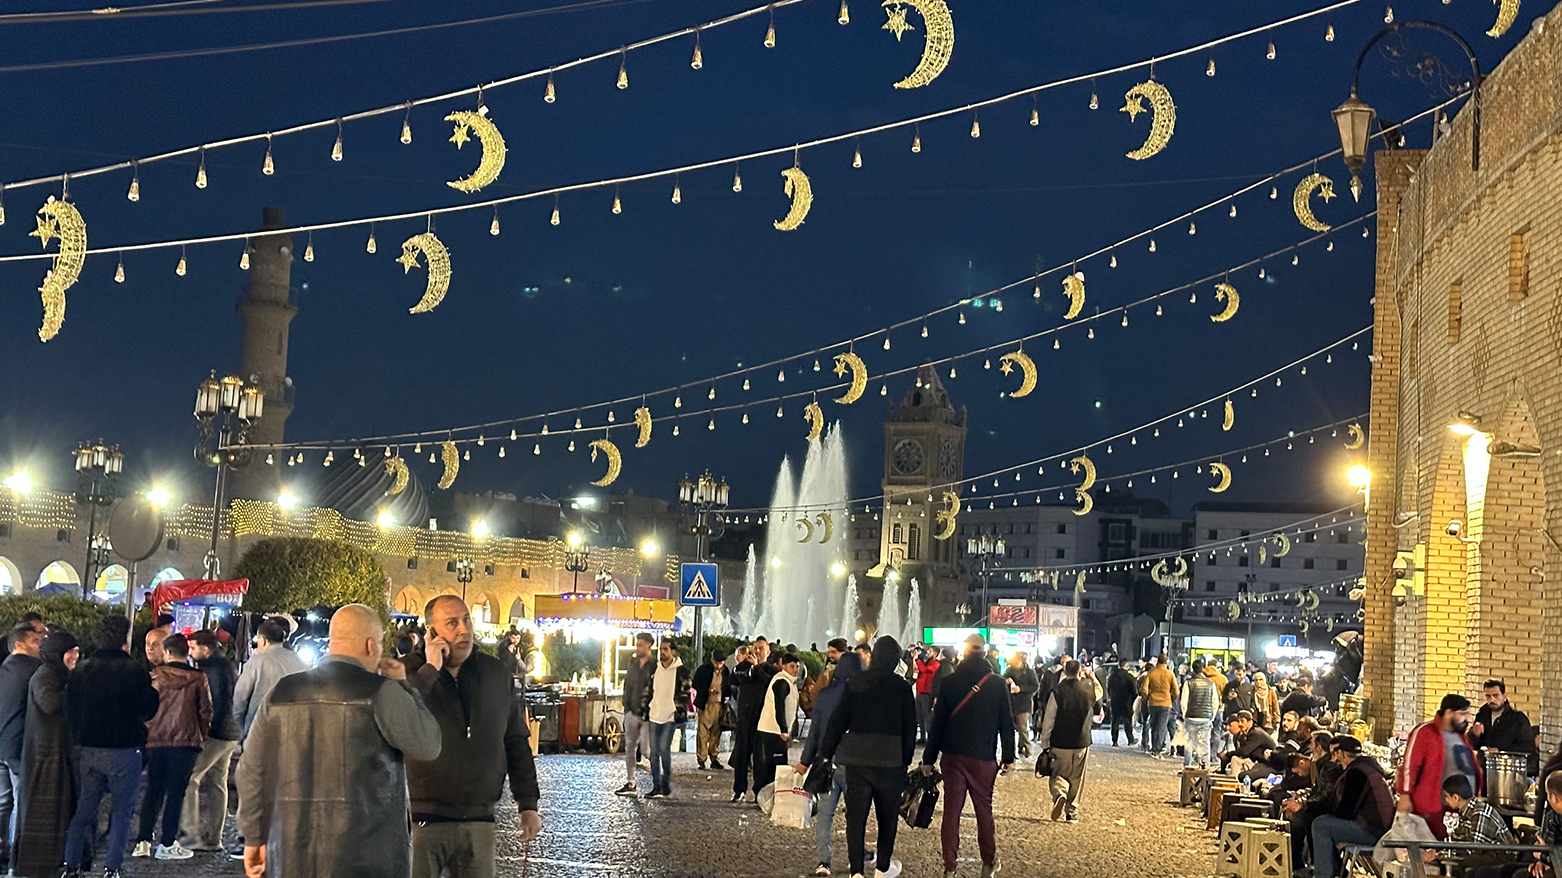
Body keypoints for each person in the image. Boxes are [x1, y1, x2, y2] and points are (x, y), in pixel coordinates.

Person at [236, 603, 440, 878]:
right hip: (367, 858)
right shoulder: (382, 692)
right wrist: (403, 684)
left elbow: (251, 770)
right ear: (370, 645)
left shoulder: (281, 692)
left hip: (290, 855)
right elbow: (428, 744)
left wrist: (254, 836)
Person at [407, 596, 541, 878]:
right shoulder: (408, 673)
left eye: (466, 620)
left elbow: (515, 739)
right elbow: (400, 716)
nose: (463, 630)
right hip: (421, 821)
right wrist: (430, 669)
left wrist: (528, 803)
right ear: (431, 632)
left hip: (479, 819)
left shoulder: (495, 673)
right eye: (452, 623)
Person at [62, 615, 159, 878]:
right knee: (122, 812)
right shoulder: (133, 670)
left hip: (89, 748)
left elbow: (70, 708)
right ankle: (112, 868)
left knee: (84, 810)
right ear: (124, 639)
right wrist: (154, 692)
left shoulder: (82, 669)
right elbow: (147, 709)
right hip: (123, 749)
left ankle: (70, 865)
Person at [816, 637, 916, 878]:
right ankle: (882, 867)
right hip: (890, 760)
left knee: (856, 818)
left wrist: (826, 754)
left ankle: (857, 871)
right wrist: (905, 760)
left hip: (857, 759)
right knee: (887, 818)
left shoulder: (856, 684)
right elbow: (910, 728)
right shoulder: (901, 687)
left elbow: (837, 722)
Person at [923, 635, 1013, 878]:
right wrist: (1008, 756)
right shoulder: (997, 684)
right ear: (984, 652)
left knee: (952, 812)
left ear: (964, 651)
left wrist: (928, 759)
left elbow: (938, 724)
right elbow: (1007, 723)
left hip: (953, 755)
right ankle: (988, 861)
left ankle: (949, 867)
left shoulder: (949, 682)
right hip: (983, 756)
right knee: (984, 809)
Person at [131, 633, 211, 861]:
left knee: (153, 791)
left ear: (167, 653)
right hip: (185, 742)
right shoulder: (198, 678)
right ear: (186, 653)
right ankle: (167, 842)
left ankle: (143, 841)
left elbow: (145, 708)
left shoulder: (155, 676)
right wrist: (200, 734)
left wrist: (148, 730)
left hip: (156, 741)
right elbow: (205, 711)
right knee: (176, 794)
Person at [13, 631, 77, 878]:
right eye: (70, 652)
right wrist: (74, 689)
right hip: (45, 755)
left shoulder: (55, 673)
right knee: (43, 815)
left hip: (54, 752)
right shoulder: (45, 675)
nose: (74, 657)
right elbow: (50, 703)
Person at [799, 650, 862, 877]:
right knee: (856, 816)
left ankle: (823, 861)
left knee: (825, 815)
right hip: (853, 763)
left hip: (826, 762)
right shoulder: (861, 695)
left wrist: (805, 761)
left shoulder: (825, 695)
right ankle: (856, 861)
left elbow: (815, 732)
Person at [178, 629, 240, 852]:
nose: (190, 652)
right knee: (217, 782)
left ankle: (190, 835)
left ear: (206, 649)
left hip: (217, 732)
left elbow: (215, 703)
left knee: (190, 778)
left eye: (194, 648)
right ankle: (214, 837)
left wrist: (205, 730)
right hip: (231, 731)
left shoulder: (211, 669)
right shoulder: (226, 665)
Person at [1398, 693, 1481, 839]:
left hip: (1461, 807)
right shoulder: (1425, 732)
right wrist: (1405, 794)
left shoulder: (1461, 737)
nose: (1467, 719)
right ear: (1448, 713)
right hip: (1433, 806)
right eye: (1462, 714)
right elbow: (1410, 765)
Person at [1310, 735, 1395, 878]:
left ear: (1342, 754)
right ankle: (1334, 872)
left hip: (1371, 830)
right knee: (1325, 823)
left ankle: (1323, 875)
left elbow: (1346, 810)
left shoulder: (1357, 772)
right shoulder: (1368, 767)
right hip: (1377, 827)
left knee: (1320, 825)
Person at [0, 622, 43, 870]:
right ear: (19, 644)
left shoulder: (4, 669)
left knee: (3, 802)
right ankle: (16, 863)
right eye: (35, 641)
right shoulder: (35, 670)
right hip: (19, 748)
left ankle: (3, 851)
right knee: (21, 804)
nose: (40, 645)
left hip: (3, 745)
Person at [1469, 771, 1562, 878]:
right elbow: (1547, 843)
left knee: (1519, 875)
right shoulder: (1553, 815)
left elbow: (1550, 852)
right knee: (1491, 872)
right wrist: (1541, 861)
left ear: (1554, 798)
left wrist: (1543, 856)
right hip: (1553, 864)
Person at [231, 617, 308, 738]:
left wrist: (242, 729)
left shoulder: (256, 662)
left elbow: (240, 699)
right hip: (292, 732)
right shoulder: (301, 663)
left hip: (258, 731)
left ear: (263, 640)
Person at [1040, 659, 1095, 825]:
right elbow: (1100, 692)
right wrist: (1091, 676)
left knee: (1057, 773)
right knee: (1077, 777)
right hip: (1082, 741)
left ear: (1065, 672)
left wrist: (1045, 742)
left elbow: (1049, 718)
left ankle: (1059, 793)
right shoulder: (1088, 690)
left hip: (1060, 741)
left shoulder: (1057, 691)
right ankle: (1072, 812)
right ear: (1079, 672)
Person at [641, 639, 690, 799]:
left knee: (664, 749)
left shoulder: (681, 671)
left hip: (670, 715)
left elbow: (685, 692)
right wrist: (645, 707)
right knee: (654, 752)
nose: (662, 652)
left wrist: (679, 709)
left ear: (673, 652)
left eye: (666, 649)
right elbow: (648, 689)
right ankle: (656, 786)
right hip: (655, 713)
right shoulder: (655, 669)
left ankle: (665, 782)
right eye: (661, 649)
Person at [730, 637, 776, 803]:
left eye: (761, 648)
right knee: (741, 755)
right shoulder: (745, 667)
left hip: (761, 719)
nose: (757, 651)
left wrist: (757, 667)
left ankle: (759, 791)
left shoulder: (771, 671)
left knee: (759, 757)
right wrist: (744, 662)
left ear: (768, 652)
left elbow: (769, 684)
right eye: (754, 648)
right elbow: (732, 679)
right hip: (744, 717)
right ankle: (739, 789)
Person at [615, 633, 656, 797]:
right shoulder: (633, 663)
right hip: (631, 711)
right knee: (630, 748)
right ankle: (631, 782)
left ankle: (660, 780)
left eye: (641, 645)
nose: (638, 648)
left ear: (649, 646)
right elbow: (628, 685)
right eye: (637, 644)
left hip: (647, 714)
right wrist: (627, 707)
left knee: (646, 750)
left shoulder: (655, 666)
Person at [754, 653, 801, 798]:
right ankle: (766, 796)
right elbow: (779, 707)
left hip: (775, 730)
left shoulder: (789, 682)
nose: (795, 669)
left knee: (774, 764)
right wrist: (783, 730)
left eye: (797, 666)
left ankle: (769, 795)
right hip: (773, 730)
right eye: (792, 666)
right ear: (784, 666)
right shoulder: (782, 682)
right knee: (774, 765)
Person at [1471, 679, 1537, 760]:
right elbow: (1471, 744)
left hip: (1506, 763)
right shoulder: (1482, 714)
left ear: (1504, 697)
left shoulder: (1517, 718)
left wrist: (1501, 751)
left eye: (1496, 695)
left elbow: (1527, 746)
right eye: (1488, 696)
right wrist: (1474, 734)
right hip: (1484, 762)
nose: (1492, 700)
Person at [691, 648, 728, 771]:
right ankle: (701, 758)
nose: (718, 666)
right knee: (703, 732)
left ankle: (714, 757)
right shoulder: (704, 670)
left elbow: (728, 686)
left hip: (719, 705)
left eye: (720, 663)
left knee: (715, 733)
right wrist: (706, 690)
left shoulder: (725, 671)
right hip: (706, 704)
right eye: (716, 663)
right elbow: (696, 683)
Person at [1180, 658, 1219, 770]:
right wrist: (1211, 717)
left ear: (1193, 669)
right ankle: (1205, 766)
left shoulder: (1188, 683)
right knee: (1204, 743)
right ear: (1203, 669)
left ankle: (1187, 766)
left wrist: (1185, 715)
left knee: (1189, 742)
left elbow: (1184, 702)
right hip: (1205, 717)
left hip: (1191, 716)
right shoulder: (1211, 683)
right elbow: (1215, 702)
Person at [1139, 655, 1178, 758]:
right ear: (1166, 662)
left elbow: (1144, 689)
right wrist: (1171, 699)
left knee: (1154, 725)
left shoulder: (1151, 673)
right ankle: (1157, 749)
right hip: (1166, 703)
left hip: (1153, 703)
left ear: (1157, 662)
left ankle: (1154, 747)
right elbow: (1176, 691)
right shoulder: (1170, 674)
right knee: (1162, 726)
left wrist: (1148, 697)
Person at [1003, 652, 1038, 760]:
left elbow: (1035, 686)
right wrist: (1006, 680)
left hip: (1024, 703)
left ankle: (1027, 748)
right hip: (1011, 703)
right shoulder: (1009, 671)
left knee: (1021, 726)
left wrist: (1021, 689)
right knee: (1014, 727)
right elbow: (1002, 680)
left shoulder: (1029, 672)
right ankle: (1017, 748)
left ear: (1020, 660)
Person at [1106, 662, 1138, 747]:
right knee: (1127, 721)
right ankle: (1130, 739)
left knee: (1115, 721)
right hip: (1126, 701)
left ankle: (1114, 741)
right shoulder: (1129, 677)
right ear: (1126, 666)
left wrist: (1110, 698)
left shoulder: (1112, 676)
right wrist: (1133, 699)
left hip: (1114, 701)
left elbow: (1108, 688)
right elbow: (1134, 690)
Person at [913, 648, 941, 744]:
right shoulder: (926, 663)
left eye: (930, 651)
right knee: (919, 715)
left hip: (927, 692)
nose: (928, 653)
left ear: (935, 653)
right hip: (920, 691)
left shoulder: (936, 664)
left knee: (927, 716)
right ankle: (922, 737)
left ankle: (930, 738)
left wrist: (917, 660)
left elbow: (926, 670)